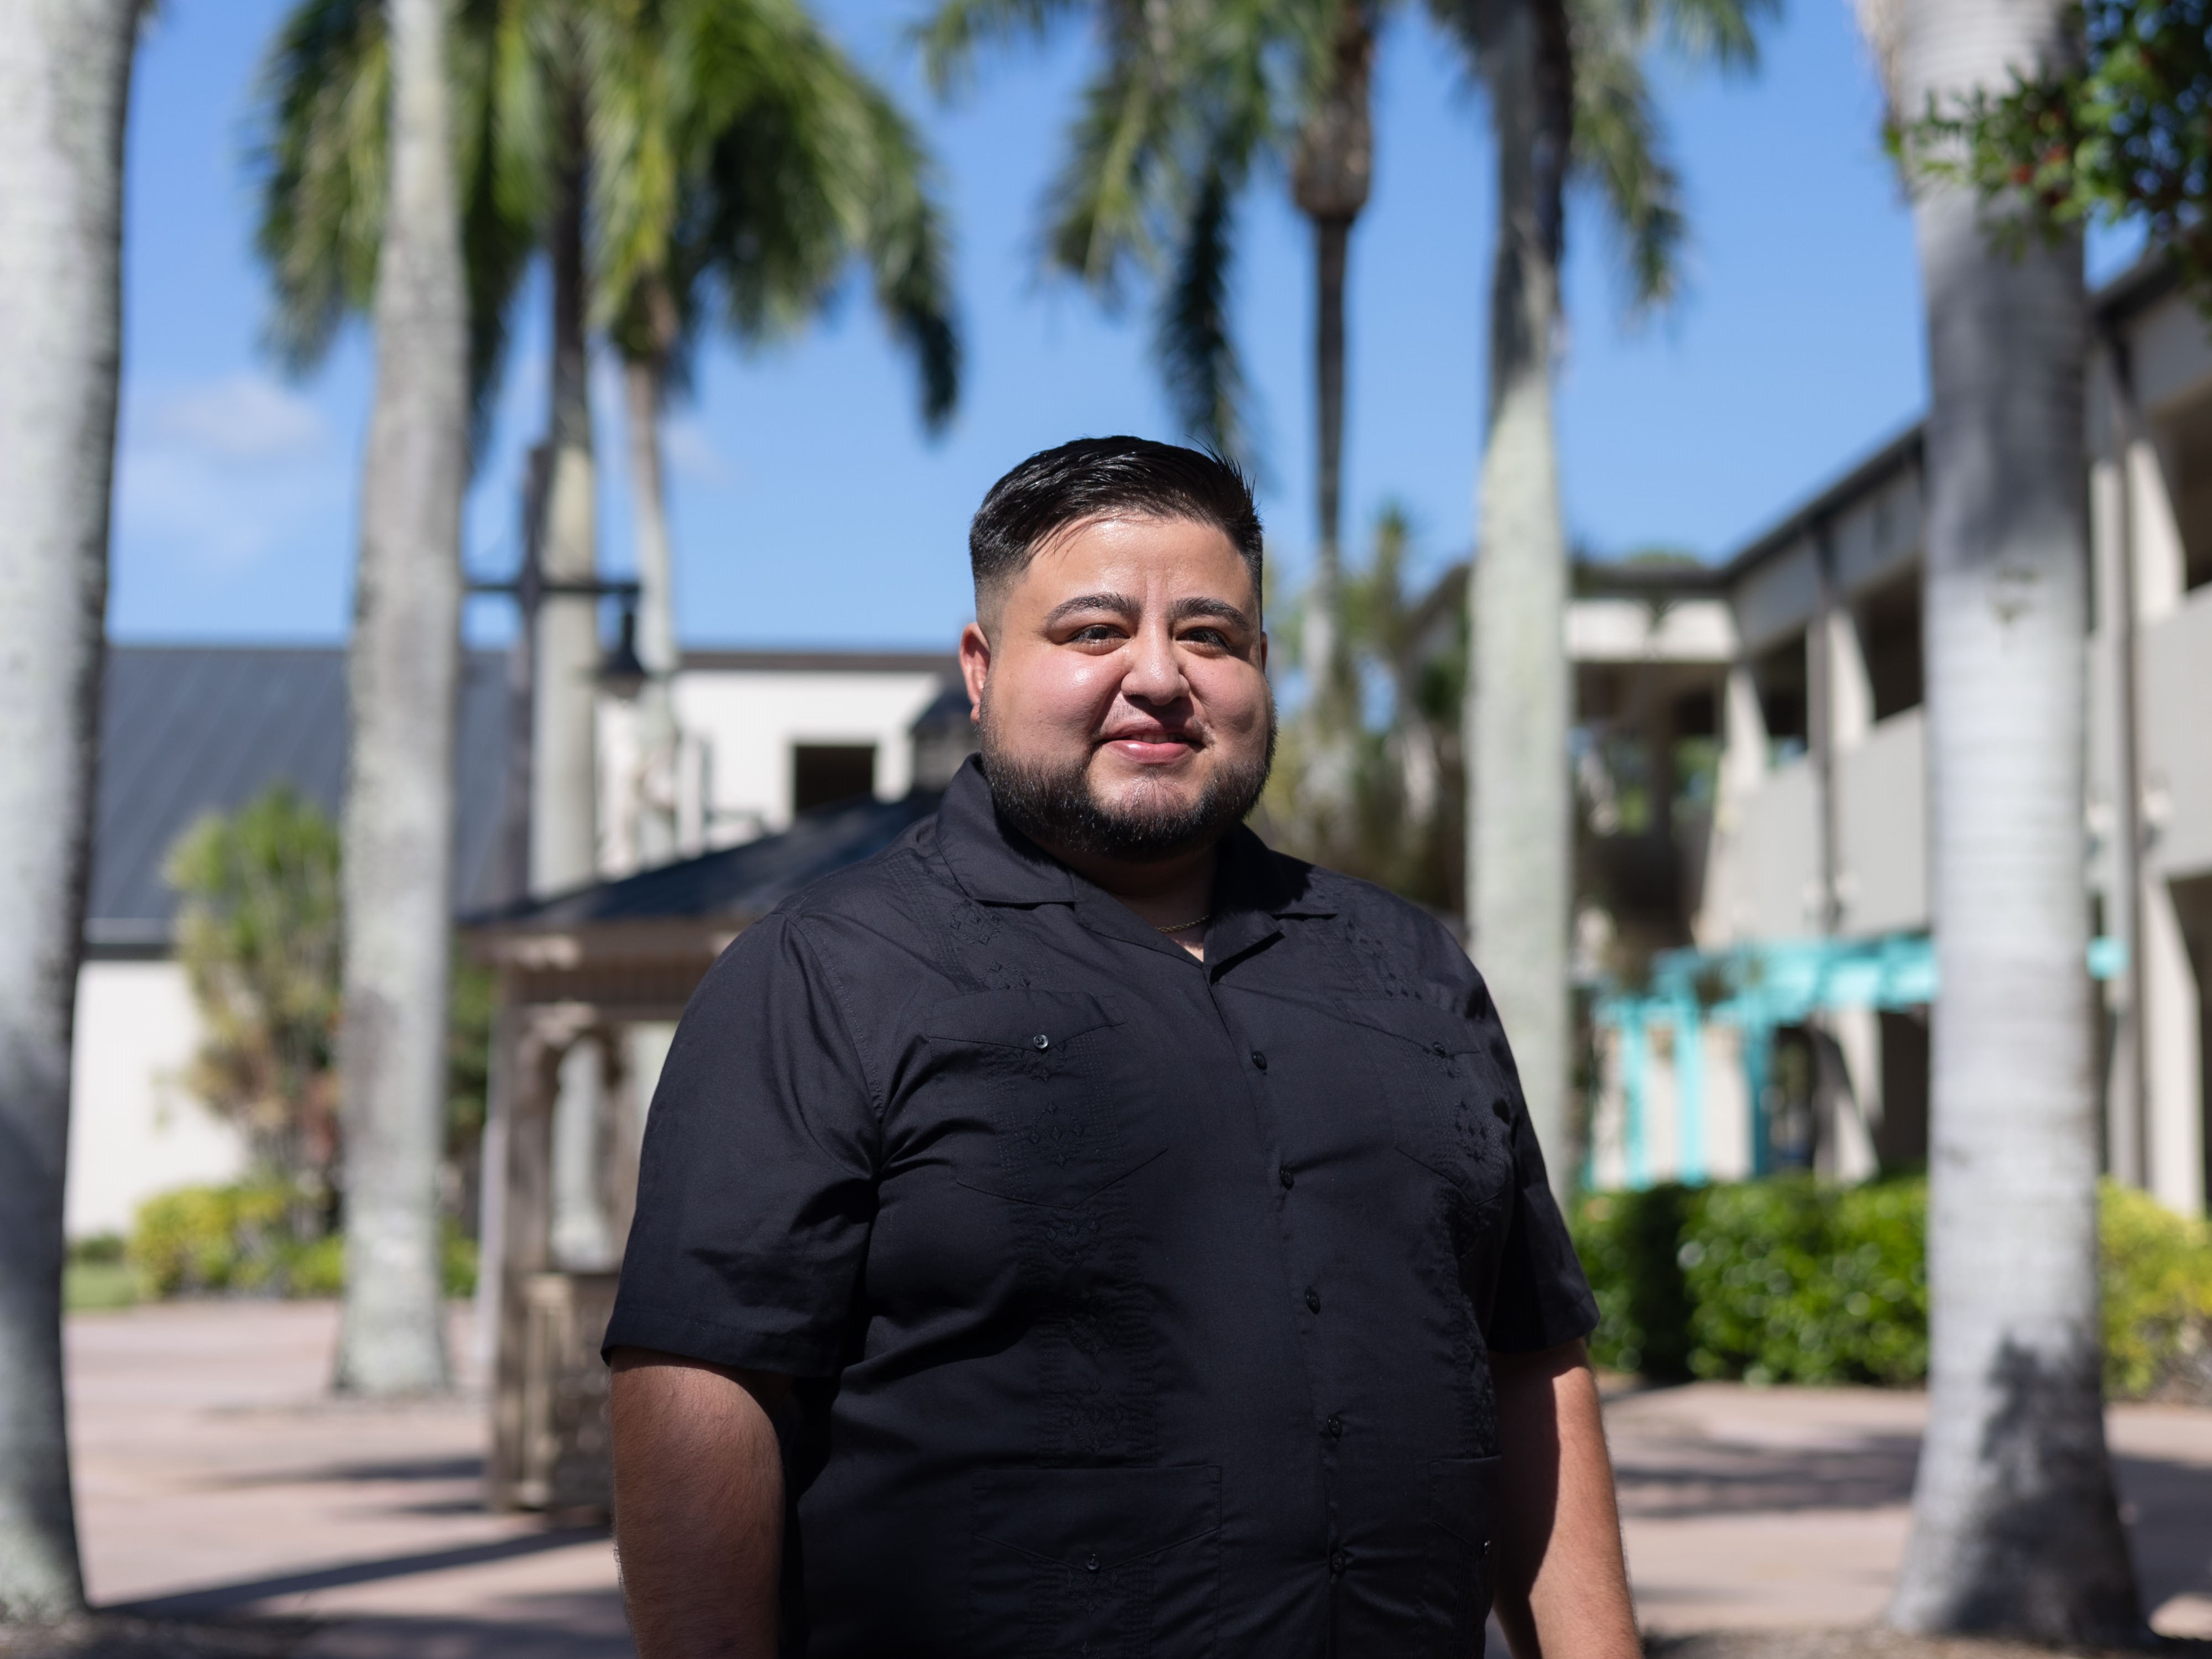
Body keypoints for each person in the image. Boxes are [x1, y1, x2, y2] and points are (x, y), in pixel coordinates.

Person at [604, 437, 1639, 1659]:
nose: (1158, 676)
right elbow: (706, 1381)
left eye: (1210, 635)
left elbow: (1527, 1358)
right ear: (981, 670)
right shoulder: (825, 974)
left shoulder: (1409, 972)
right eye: (1094, 631)